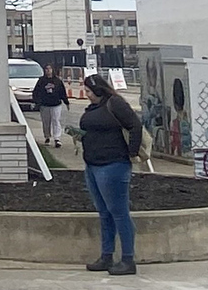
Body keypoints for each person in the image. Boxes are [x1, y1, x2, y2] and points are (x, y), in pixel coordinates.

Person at [70, 72, 141, 276]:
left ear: (99, 90)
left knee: (119, 212)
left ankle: (128, 258)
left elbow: (135, 125)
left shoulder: (115, 104)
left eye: (90, 91)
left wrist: (132, 153)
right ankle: (106, 255)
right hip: (92, 164)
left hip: (113, 164)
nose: (87, 95)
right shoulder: (94, 108)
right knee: (104, 212)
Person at [31, 64, 69, 148]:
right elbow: (36, 92)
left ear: (53, 70)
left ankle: (57, 138)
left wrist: (66, 102)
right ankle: (47, 136)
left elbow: (62, 92)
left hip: (56, 104)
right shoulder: (41, 81)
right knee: (46, 122)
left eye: (49, 69)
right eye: (46, 69)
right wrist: (37, 102)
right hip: (45, 105)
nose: (48, 70)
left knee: (56, 120)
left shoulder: (57, 81)